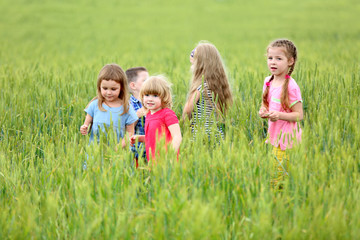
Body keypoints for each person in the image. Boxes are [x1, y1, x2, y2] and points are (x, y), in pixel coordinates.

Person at [258, 39, 303, 189]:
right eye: (270, 58)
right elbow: (265, 103)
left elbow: (299, 115)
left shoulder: (291, 86)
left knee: (277, 179)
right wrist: (263, 111)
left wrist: (279, 115)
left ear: (290, 61)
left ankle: (279, 203)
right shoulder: (268, 81)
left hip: (288, 140)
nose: (273, 62)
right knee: (275, 173)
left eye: (279, 58)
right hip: (274, 136)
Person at [182, 42, 233, 142]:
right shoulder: (217, 86)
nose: (191, 68)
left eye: (193, 64)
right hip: (217, 135)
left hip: (200, 135)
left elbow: (187, 110)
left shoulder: (201, 87)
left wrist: (184, 125)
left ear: (201, 65)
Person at [80, 64, 138, 148]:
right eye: (105, 88)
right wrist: (84, 128)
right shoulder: (95, 105)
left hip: (117, 153)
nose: (109, 92)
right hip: (95, 153)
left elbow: (130, 133)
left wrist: (118, 148)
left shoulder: (126, 108)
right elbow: (87, 125)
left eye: (113, 89)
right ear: (99, 87)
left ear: (121, 87)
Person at [130, 75, 182, 162]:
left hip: (167, 161)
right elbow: (153, 137)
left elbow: (177, 136)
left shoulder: (167, 114)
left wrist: (169, 155)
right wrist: (140, 138)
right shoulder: (149, 115)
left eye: (155, 96)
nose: (150, 99)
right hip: (154, 161)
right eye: (147, 95)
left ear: (164, 97)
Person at [126, 67, 149, 166]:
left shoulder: (152, 101)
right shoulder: (128, 104)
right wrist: (137, 115)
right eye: (145, 80)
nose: (149, 82)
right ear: (133, 85)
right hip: (136, 151)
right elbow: (125, 126)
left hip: (152, 149)